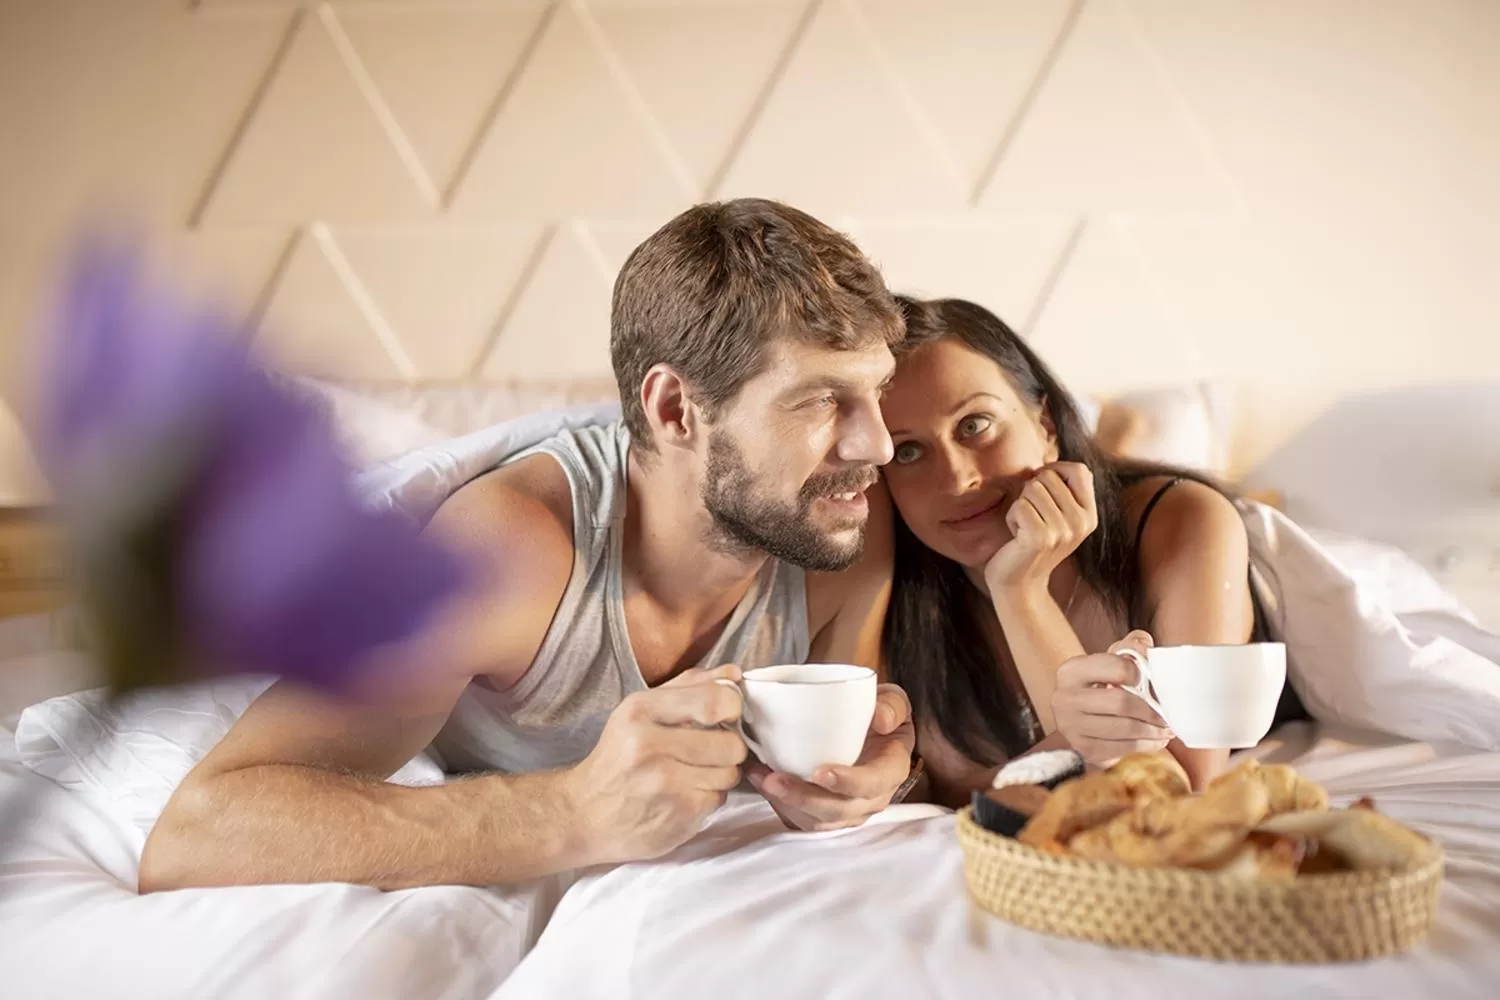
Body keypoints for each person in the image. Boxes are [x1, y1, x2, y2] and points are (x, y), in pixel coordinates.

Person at [138, 199, 917, 893]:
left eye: (877, 391)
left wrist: (870, 774)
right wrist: (573, 811)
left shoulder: (836, 524)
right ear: (675, 410)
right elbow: (198, 832)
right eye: (821, 399)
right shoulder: (508, 556)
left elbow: (844, 763)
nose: (877, 445)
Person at [877, 296, 1305, 805]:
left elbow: (1171, 793)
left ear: (1046, 426)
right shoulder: (893, 579)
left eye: (974, 425)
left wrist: (1021, 589)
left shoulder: (1183, 521)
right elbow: (932, 788)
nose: (956, 479)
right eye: (907, 451)